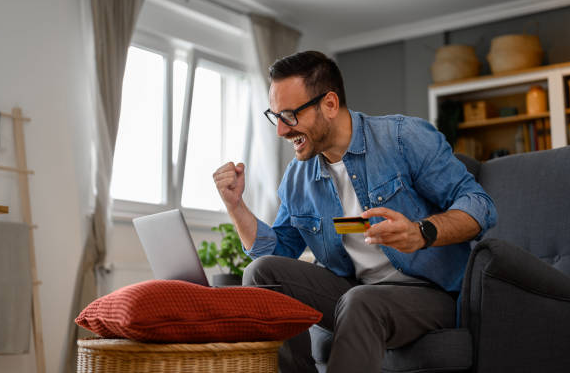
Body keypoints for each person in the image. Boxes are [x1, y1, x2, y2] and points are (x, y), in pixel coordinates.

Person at [212, 50, 497, 373]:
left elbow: (480, 205)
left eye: (290, 116)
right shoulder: (298, 176)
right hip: (353, 289)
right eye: (275, 116)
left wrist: (421, 233)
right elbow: (277, 251)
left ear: (330, 104)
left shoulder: (402, 138)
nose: (280, 131)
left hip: (429, 293)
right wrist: (236, 207)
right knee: (261, 272)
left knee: (360, 301)